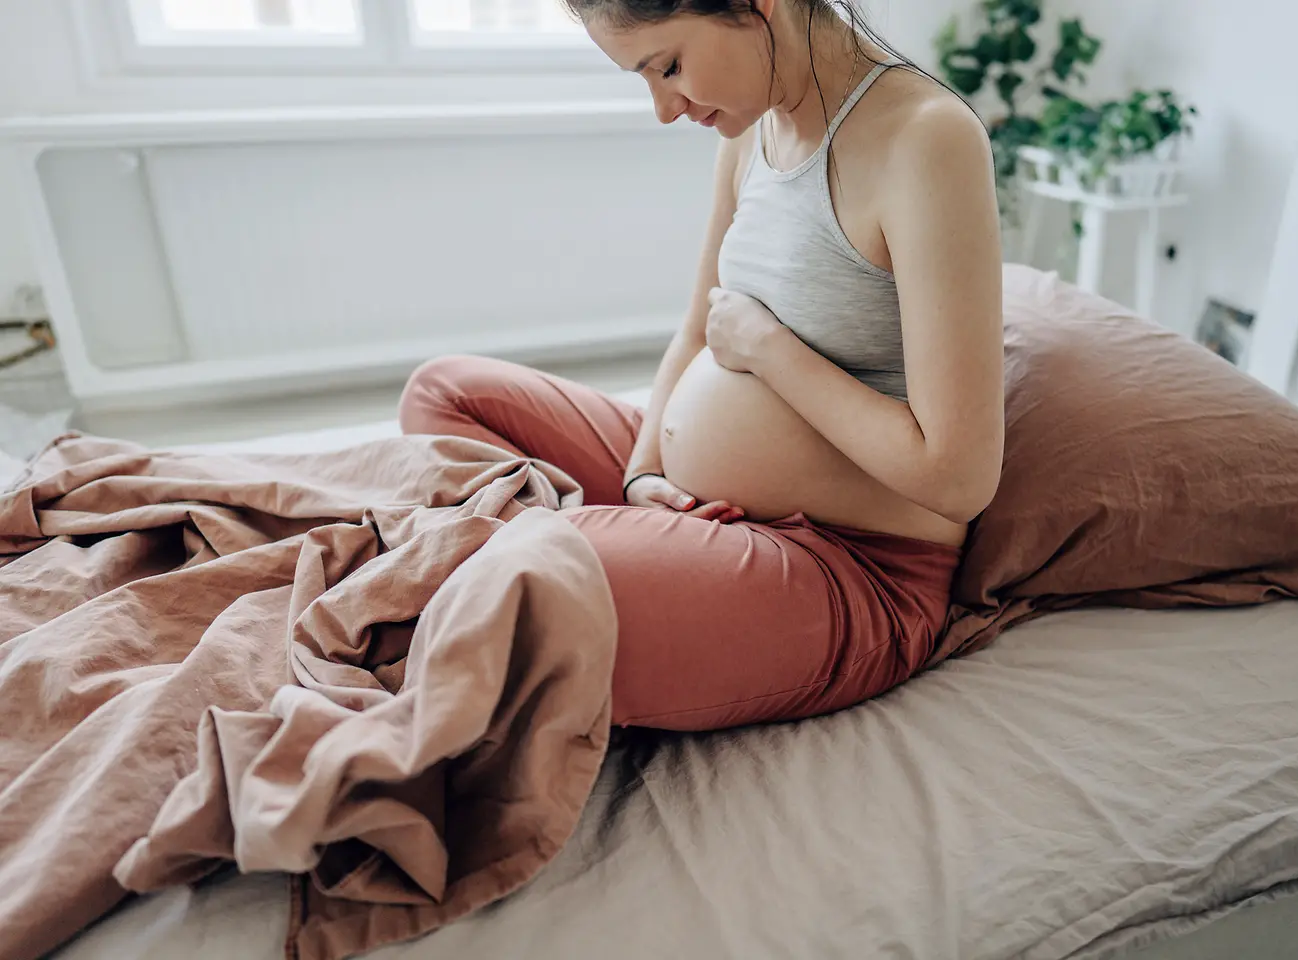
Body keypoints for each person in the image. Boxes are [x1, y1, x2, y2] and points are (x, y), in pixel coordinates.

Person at [399, 0, 1004, 732]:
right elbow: (696, 331)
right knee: (446, 395)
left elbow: (960, 477)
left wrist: (770, 352)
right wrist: (643, 473)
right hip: (698, 500)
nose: (663, 108)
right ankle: (624, 554)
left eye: (669, 66)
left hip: (848, 563)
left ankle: (580, 566)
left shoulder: (927, 139)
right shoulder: (752, 131)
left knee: (524, 579)